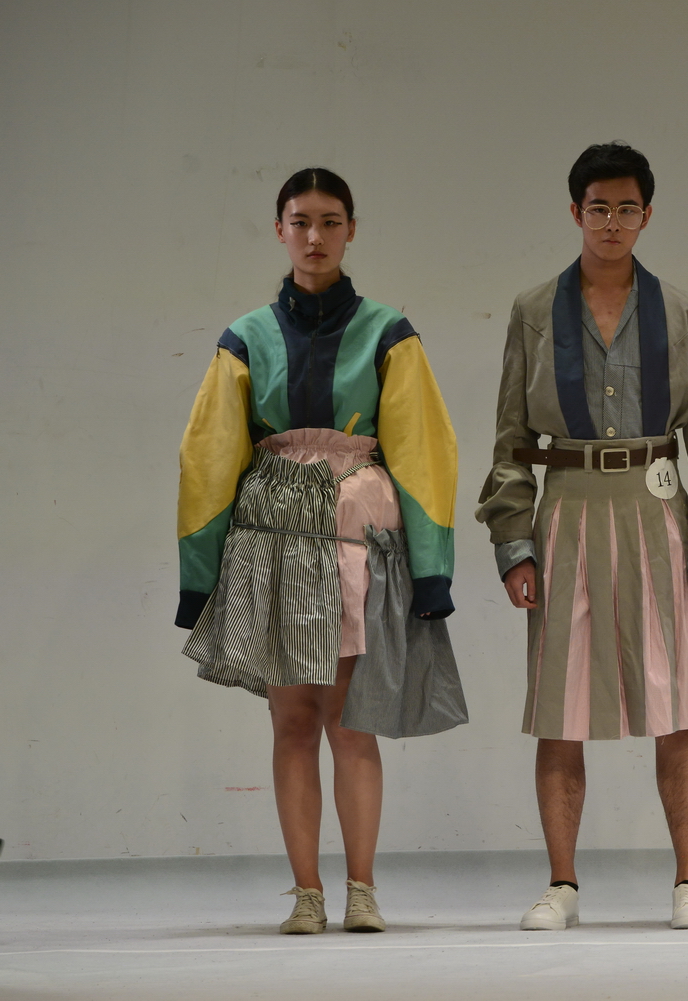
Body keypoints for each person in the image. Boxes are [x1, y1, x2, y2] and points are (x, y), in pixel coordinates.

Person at [177, 167, 465, 935]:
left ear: (351, 230)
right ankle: (307, 892)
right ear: (280, 229)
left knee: (350, 719)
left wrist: (432, 569)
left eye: (330, 221)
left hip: (355, 539)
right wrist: (199, 577)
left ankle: (361, 889)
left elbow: (424, 451)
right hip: (272, 544)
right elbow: (209, 456)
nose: (314, 236)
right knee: (293, 722)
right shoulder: (245, 337)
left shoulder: (388, 332)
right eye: (300, 221)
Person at [476, 143, 688, 931]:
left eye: (626, 208)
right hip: (564, 510)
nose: (611, 222)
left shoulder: (685, 312)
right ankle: (561, 884)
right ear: (576, 212)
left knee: (679, 702)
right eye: (598, 207)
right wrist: (513, 542)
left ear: (647, 215)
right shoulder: (534, 310)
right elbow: (509, 437)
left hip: (657, 510)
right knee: (560, 708)